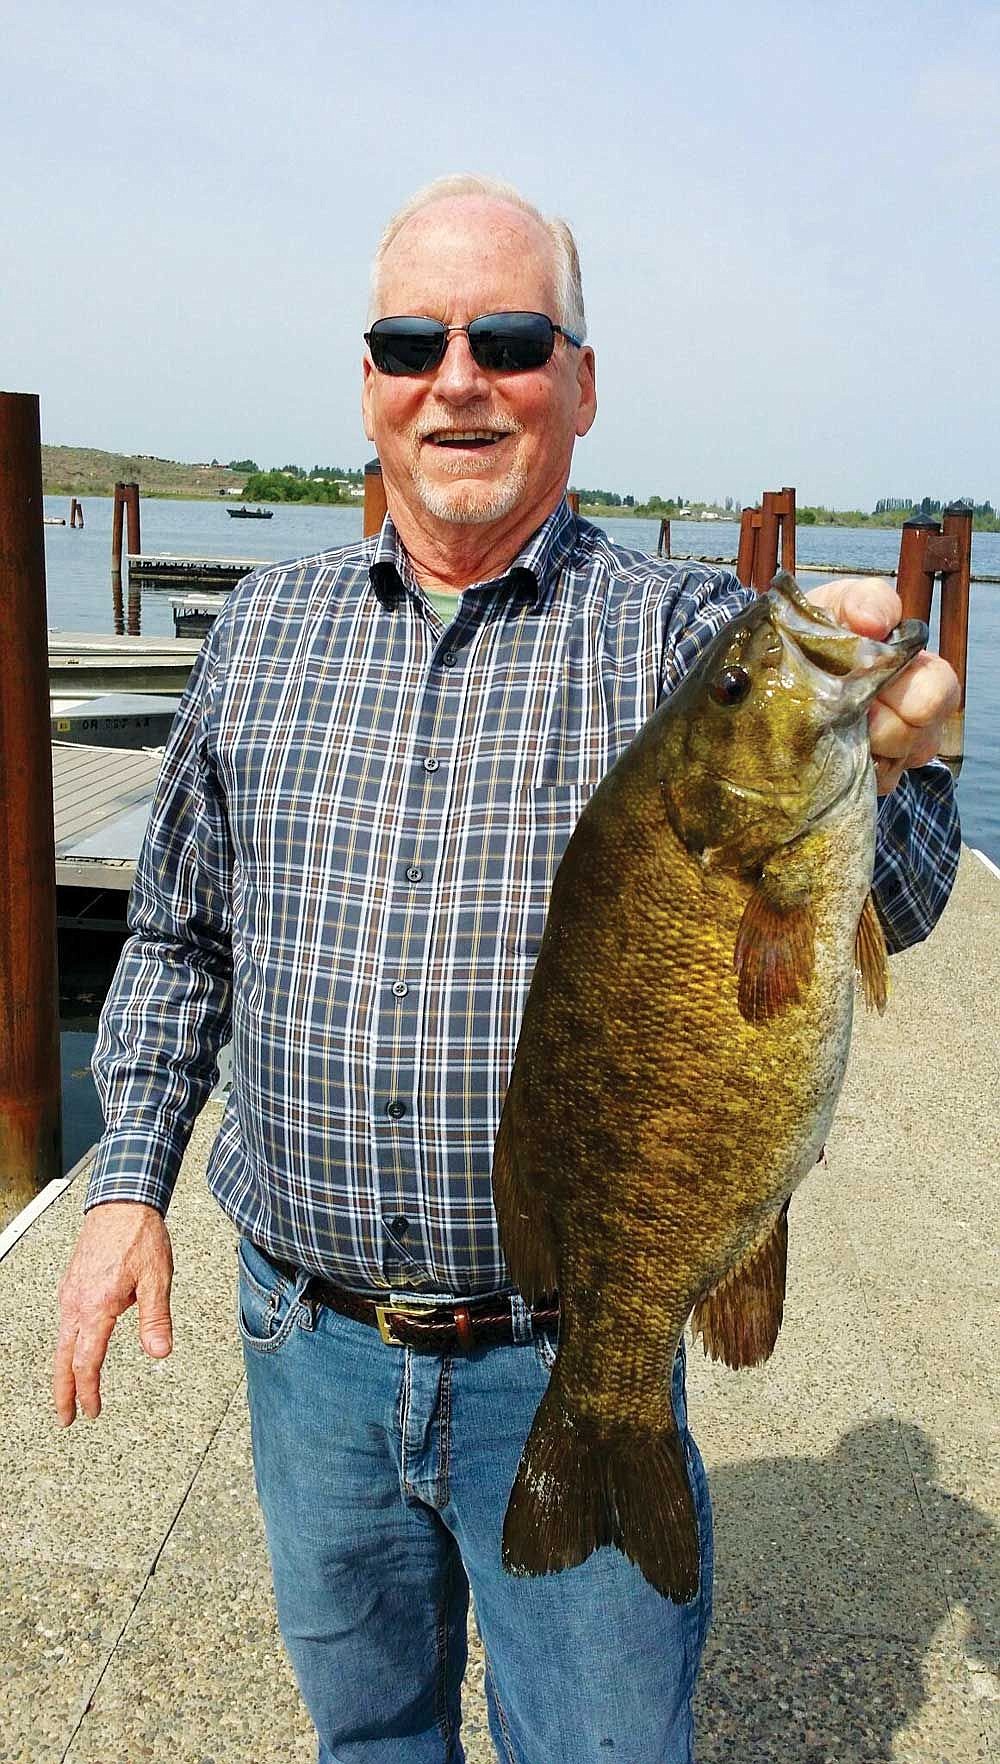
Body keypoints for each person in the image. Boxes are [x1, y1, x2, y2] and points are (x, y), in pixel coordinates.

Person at [54, 175, 961, 1763]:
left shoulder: (686, 635)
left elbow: (897, 896)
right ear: (369, 382)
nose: (457, 376)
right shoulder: (260, 628)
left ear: (584, 383)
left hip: (564, 1331)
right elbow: (182, 927)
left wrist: (901, 755)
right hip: (304, 1348)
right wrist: (124, 1183)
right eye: (413, 338)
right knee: (371, 1736)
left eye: (512, 336)